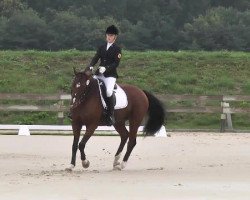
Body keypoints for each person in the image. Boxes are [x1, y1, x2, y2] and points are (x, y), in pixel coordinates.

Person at [88, 25, 122, 125]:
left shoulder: (117, 49)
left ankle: (110, 115)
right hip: (99, 74)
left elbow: (116, 63)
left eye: (111, 35)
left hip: (110, 75)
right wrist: (91, 65)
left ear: (115, 37)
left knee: (108, 91)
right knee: (89, 85)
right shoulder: (102, 47)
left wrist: (106, 68)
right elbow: (96, 57)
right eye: (107, 35)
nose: (108, 37)